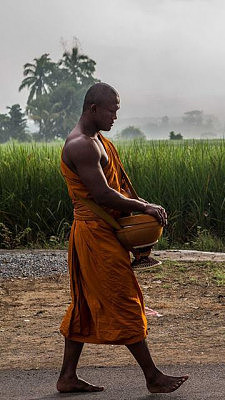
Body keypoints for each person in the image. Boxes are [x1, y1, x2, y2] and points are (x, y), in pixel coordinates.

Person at [57, 82, 188, 393]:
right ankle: (152, 376)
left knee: (84, 305)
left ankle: (67, 377)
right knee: (125, 301)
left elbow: (114, 188)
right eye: (111, 111)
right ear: (92, 109)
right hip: (94, 236)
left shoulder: (97, 140)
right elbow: (102, 194)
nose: (115, 117)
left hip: (102, 232)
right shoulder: (81, 145)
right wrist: (144, 206)